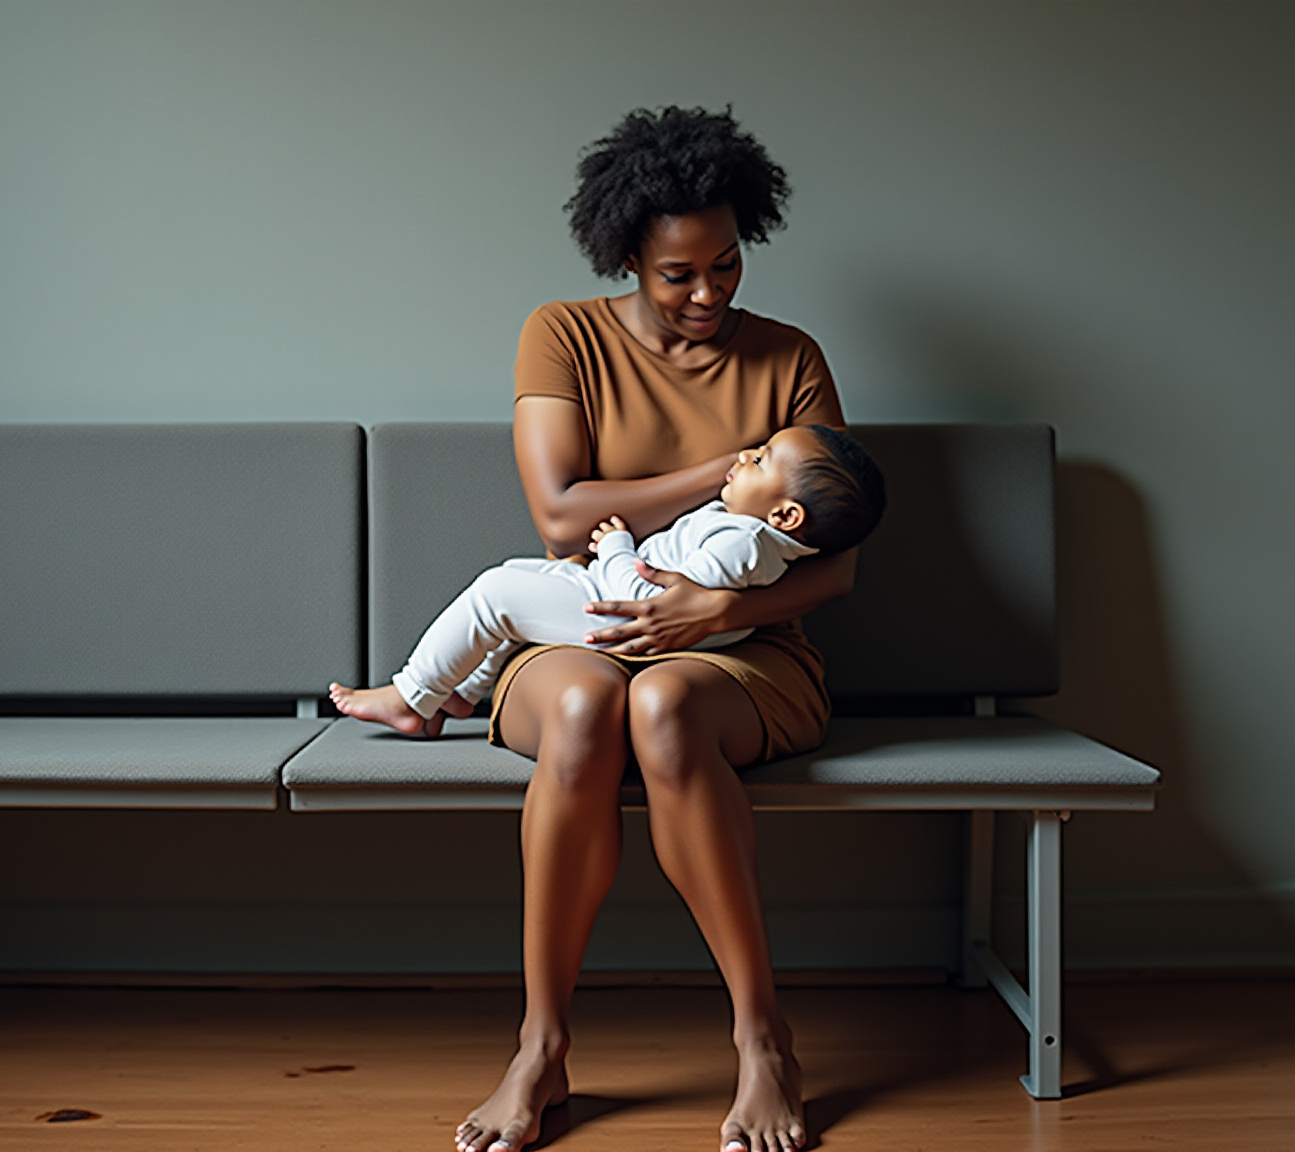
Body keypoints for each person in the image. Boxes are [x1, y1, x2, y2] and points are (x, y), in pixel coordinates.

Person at [454, 106, 860, 1152]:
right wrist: (730, 466)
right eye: (679, 274)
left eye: (726, 266)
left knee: (666, 704)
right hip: (581, 627)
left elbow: (838, 562)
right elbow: (560, 516)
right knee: (588, 709)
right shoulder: (563, 335)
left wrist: (722, 607)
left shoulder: (790, 357)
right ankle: (540, 1047)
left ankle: (762, 1041)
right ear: (628, 256)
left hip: (746, 653)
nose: (708, 294)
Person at [329, 425, 883, 739]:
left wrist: (617, 546)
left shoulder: (743, 543)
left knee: (496, 593)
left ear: (785, 515)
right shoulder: (748, 533)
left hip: (622, 618)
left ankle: (412, 696)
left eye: (759, 460)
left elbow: (651, 605)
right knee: (520, 576)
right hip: (609, 594)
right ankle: (460, 693)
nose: (742, 456)